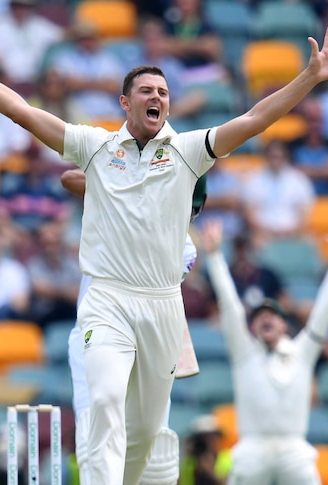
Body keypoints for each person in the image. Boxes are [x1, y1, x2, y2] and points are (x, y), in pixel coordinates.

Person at [0, 23, 328, 484]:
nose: (157, 97)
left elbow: (254, 120)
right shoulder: (96, 146)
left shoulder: (188, 151)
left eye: (163, 91)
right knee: (104, 402)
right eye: (146, 90)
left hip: (162, 305)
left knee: (144, 434)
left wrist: (309, 77)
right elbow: (22, 112)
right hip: (107, 300)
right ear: (125, 102)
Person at [61, 167, 207, 485]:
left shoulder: (185, 249)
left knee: (153, 450)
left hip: (151, 342)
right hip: (97, 333)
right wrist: (121, 188)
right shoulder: (121, 204)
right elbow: (69, 179)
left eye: (191, 208)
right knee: (95, 433)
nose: (185, 214)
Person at [201, 221, 328, 484]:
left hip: (293, 451)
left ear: (285, 324)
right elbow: (230, 306)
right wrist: (215, 257)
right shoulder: (244, 353)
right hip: (251, 450)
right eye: (260, 316)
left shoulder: (302, 352)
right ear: (252, 326)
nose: (266, 319)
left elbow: (324, 311)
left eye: (273, 315)